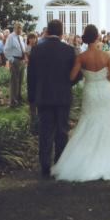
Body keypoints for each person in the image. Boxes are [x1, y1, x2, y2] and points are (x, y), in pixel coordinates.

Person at [51, 24, 110, 182]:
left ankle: (84, 160)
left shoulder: (81, 57)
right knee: (108, 120)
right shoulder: (106, 56)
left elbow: (72, 77)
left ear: (86, 37)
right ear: (97, 37)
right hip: (104, 91)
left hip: (90, 90)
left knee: (88, 121)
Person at [27, 18, 77, 178]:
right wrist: (67, 83)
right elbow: (75, 76)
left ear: (47, 32)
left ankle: (45, 165)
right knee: (62, 131)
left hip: (43, 97)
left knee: (45, 131)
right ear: (61, 33)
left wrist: (31, 99)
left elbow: (31, 77)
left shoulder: (36, 50)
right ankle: (60, 163)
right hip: (62, 96)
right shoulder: (69, 51)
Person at [4, 21, 27, 107]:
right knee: (14, 81)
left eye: (21, 28)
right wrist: (12, 60)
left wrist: (24, 58)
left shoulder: (21, 37)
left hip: (21, 60)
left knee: (20, 81)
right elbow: (6, 50)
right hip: (15, 60)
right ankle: (13, 101)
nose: (19, 29)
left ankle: (18, 99)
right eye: (18, 28)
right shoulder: (11, 37)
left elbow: (22, 49)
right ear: (14, 28)